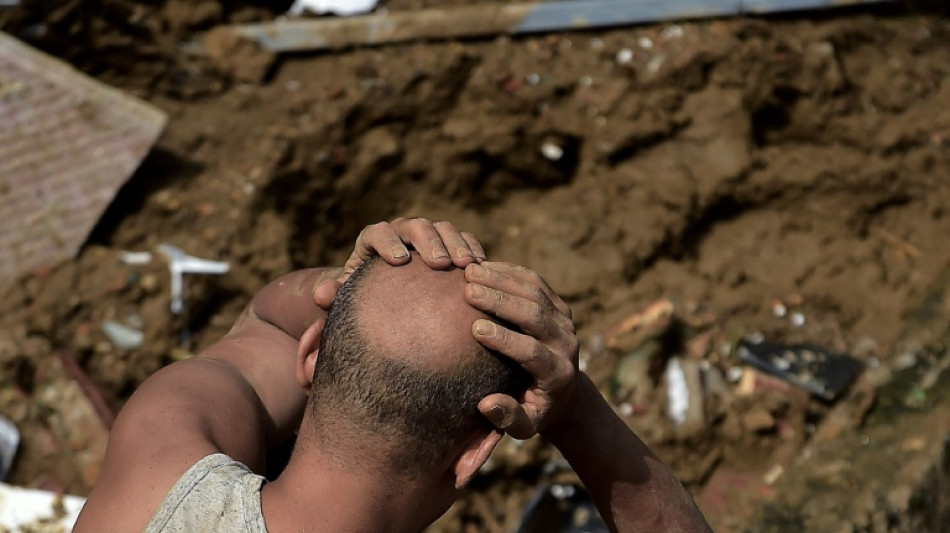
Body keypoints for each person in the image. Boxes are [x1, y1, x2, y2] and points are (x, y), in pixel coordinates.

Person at [74, 218, 711, 532]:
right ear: (473, 455)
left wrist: (354, 289)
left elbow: (268, 320)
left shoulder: (158, 460)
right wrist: (572, 404)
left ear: (313, 356)